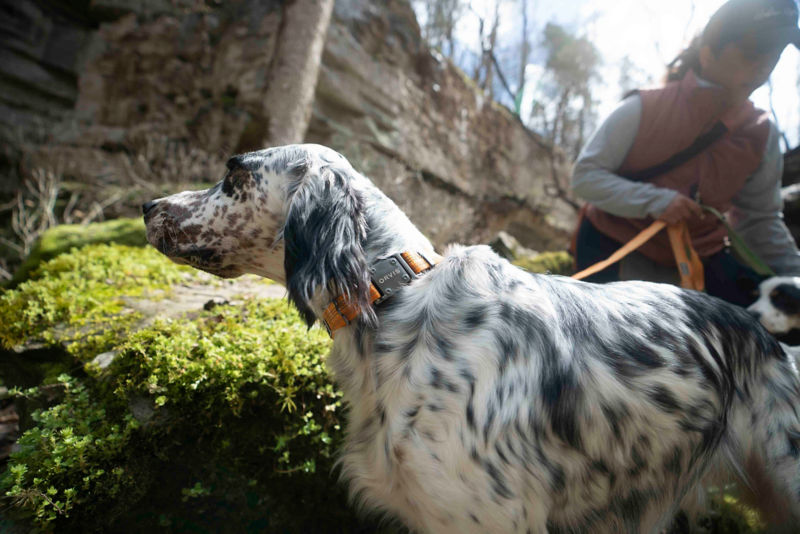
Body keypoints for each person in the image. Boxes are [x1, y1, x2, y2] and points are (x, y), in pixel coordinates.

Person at [571, 0, 800, 306]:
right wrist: (656, 201)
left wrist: (795, 274)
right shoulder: (643, 108)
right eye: (752, 52)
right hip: (613, 247)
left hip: (700, 259)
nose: (763, 67)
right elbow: (585, 177)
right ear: (708, 52)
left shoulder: (761, 134)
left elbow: (760, 220)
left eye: (775, 55)